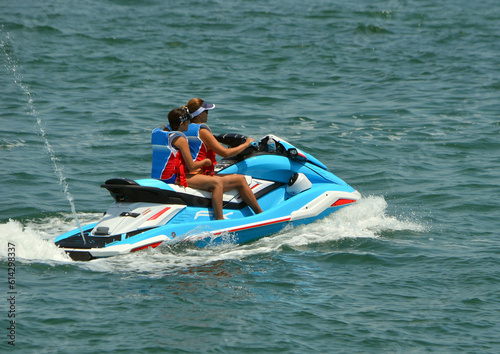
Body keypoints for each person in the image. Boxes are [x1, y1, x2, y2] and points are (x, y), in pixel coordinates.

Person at [154, 107, 263, 220]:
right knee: (217, 184)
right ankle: (220, 220)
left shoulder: (158, 132)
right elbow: (193, 165)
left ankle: (260, 214)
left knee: (239, 179)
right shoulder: (181, 139)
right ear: (181, 123)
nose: (190, 124)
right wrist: (205, 162)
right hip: (173, 177)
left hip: (159, 176)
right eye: (187, 122)